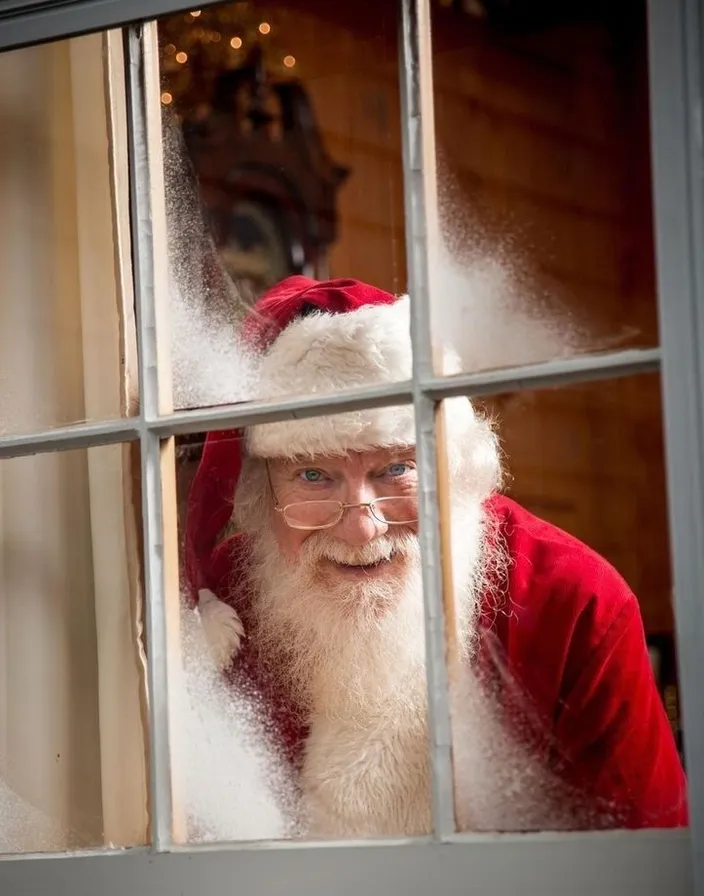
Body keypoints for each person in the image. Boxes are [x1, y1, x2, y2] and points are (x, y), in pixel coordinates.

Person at [184, 275, 688, 837]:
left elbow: (643, 864)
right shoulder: (221, 605)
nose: (360, 528)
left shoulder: (575, 603)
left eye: (396, 469)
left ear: (453, 467)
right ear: (260, 494)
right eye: (312, 475)